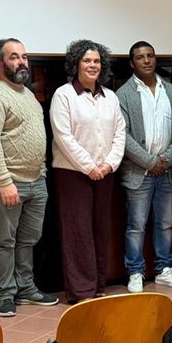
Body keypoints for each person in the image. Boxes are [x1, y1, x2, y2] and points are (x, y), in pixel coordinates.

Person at [0, 38, 58, 318]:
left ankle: (26, 288)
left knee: (28, 239)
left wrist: (41, 172)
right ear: (0, 63)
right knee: (4, 240)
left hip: (36, 180)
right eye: (14, 57)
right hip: (5, 180)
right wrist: (4, 181)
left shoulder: (28, 94)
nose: (21, 62)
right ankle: (5, 295)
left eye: (24, 56)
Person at [50, 40, 126, 303]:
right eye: (87, 61)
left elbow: (120, 133)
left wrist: (109, 164)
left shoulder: (110, 97)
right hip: (72, 174)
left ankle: (98, 286)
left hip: (105, 173)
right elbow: (63, 136)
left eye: (97, 61)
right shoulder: (64, 95)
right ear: (76, 64)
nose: (93, 65)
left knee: (100, 230)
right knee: (78, 232)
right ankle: (81, 291)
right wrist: (89, 167)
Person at [116, 41, 172, 293]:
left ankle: (164, 269)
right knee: (136, 226)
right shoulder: (123, 94)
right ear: (132, 63)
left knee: (165, 223)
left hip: (167, 170)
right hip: (139, 172)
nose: (146, 60)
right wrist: (149, 162)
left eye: (150, 56)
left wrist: (166, 159)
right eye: (140, 57)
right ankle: (135, 272)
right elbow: (122, 135)